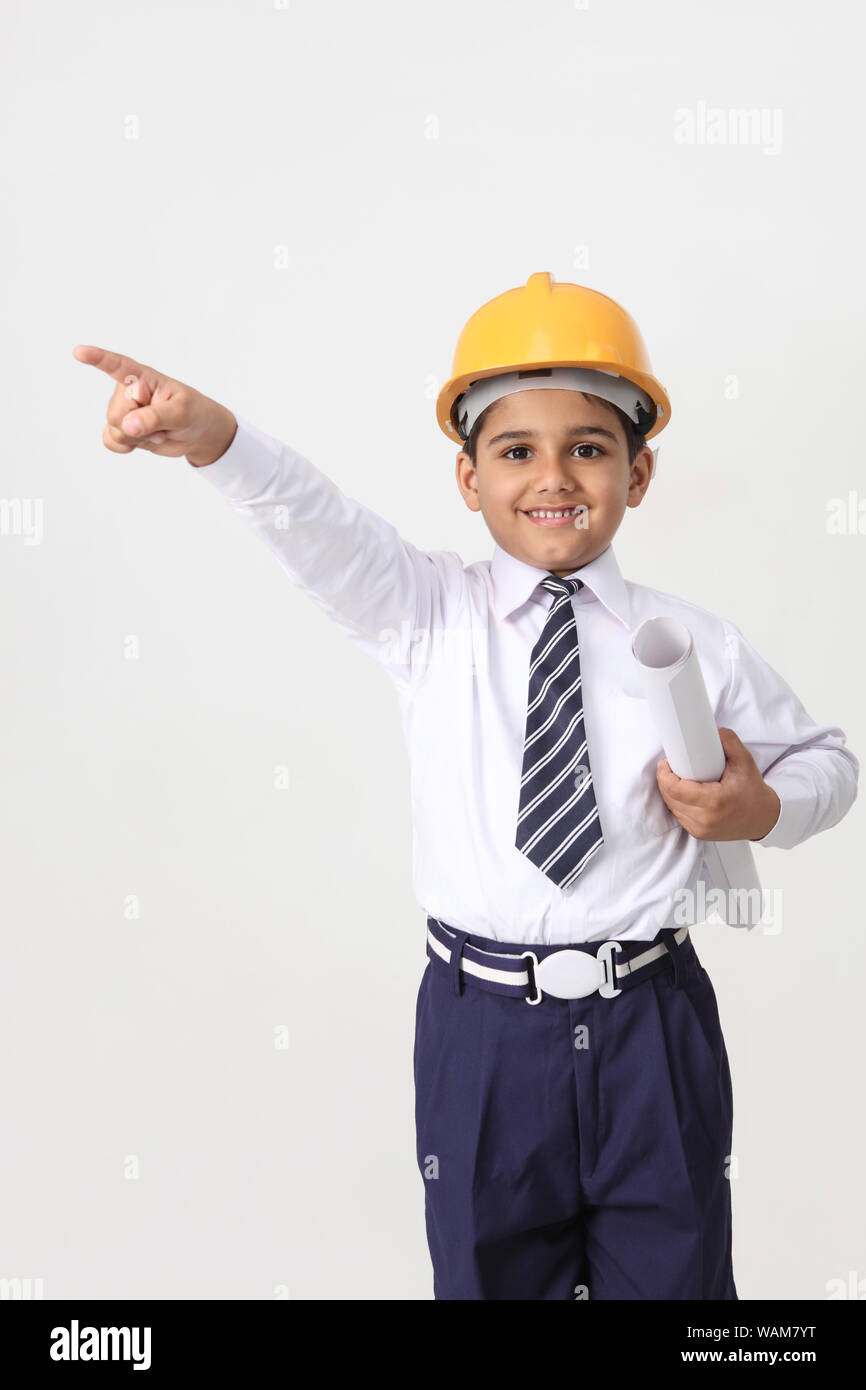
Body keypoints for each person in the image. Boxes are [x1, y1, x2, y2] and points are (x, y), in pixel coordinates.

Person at [73, 271, 858, 1300]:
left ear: (639, 470)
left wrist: (758, 807)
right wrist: (217, 437)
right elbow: (318, 523)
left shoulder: (696, 640)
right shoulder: (425, 615)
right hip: (482, 1034)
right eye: (514, 450)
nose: (553, 477)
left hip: (650, 1027)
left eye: (587, 446)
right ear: (466, 477)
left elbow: (829, 767)